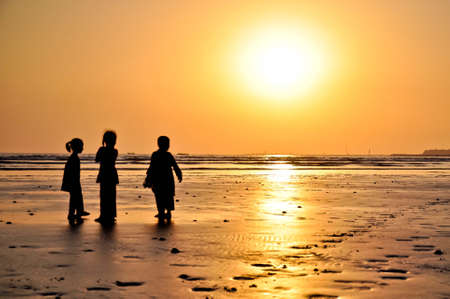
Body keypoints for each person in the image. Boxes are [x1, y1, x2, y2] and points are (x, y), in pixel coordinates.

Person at [144, 136, 182, 223]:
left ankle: (164, 212)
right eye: (166, 144)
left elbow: (151, 167)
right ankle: (165, 212)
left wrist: (179, 173)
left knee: (162, 196)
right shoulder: (165, 155)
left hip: (161, 179)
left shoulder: (157, 155)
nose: (167, 146)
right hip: (164, 179)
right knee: (164, 196)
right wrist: (179, 174)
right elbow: (175, 166)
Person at [61, 138, 89, 222]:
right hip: (73, 182)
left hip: (73, 181)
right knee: (75, 197)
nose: (82, 148)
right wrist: (75, 182)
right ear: (77, 147)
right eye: (81, 146)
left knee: (76, 197)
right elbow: (73, 172)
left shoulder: (73, 157)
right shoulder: (74, 158)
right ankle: (73, 213)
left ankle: (78, 211)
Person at [95, 130, 119, 224]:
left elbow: (97, 159)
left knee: (104, 196)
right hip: (112, 174)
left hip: (104, 174)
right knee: (112, 196)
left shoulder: (102, 150)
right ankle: (111, 215)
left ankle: (103, 215)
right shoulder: (115, 151)